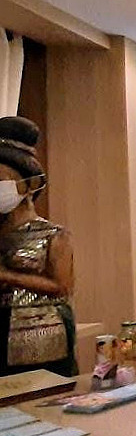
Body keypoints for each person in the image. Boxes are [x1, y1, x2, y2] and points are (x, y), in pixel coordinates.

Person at [0, 116, 76, 377]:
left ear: (30, 184)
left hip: (40, 332)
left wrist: (7, 276)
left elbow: (62, 286)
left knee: (42, 389)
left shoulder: (54, 235)